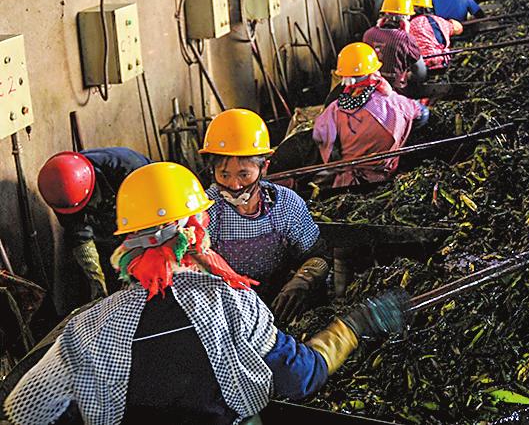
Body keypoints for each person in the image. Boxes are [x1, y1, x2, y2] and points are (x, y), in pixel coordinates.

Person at [4, 161, 410, 424]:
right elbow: (299, 377)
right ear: (197, 231)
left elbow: (25, 411)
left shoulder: (88, 328)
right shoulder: (232, 304)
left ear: (127, 245)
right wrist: (354, 325)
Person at [201, 108, 328, 323]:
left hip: (279, 309)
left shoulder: (287, 204)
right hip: (225, 315)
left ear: (264, 168)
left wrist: (305, 279)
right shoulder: (205, 210)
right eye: (224, 175)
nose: (234, 185)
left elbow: (319, 257)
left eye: (244, 174)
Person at [36, 148, 151, 302]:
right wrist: (96, 282)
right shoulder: (60, 192)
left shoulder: (128, 167)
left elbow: (150, 215)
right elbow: (79, 235)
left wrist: (134, 257)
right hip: (110, 216)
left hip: (149, 208)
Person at [312, 43, 428, 187]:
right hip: (384, 178)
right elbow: (423, 114)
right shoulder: (395, 103)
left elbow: (319, 136)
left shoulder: (334, 109)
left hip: (346, 183)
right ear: (374, 71)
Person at [362, 0, 428, 90]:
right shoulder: (406, 39)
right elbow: (421, 74)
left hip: (370, 88)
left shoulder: (368, 35)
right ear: (405, 19)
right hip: (395, 91)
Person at [407, 0, 462, 72]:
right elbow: (459, 28)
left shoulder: (410, 26)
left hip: (425, 67)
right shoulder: (439, 20)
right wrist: (450, 22)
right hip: (445, 62)